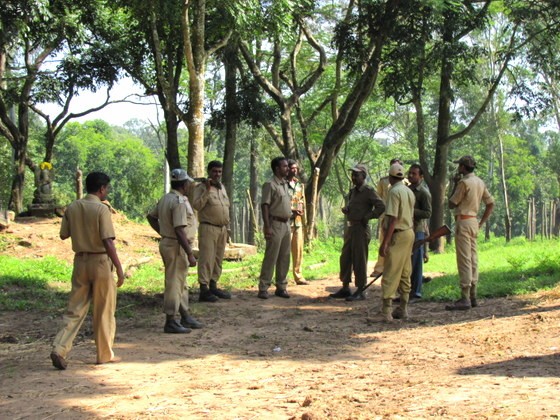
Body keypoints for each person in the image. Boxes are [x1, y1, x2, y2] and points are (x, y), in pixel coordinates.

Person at [50, 172, 125, 370]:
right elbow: (107, 240)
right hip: (100, 261)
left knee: (75, 309)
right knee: (104, 310)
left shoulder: (72, 207)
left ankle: (59, 348)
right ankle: (104, 354)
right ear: (101, 189)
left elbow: (64, 235)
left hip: (80, 262)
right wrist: (118, 266)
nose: (106, 191)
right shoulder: (102, 210)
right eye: (106, 188)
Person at [147, 168, 203, 333]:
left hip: (171, 242)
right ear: (185, 184)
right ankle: (170, 319)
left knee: (181, 282)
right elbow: (179, 229)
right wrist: (190, 253)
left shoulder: (166, 198)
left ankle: (184, 314)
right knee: (174, 282)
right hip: (177, 246)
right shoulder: (178, 202)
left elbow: (151, 216)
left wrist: (163, 232)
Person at [368, 163, 415, 323]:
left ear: (390, 177)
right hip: (409, 232)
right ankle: (403, 308)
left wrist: (385, 242)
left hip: (398, 234)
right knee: (405, 271)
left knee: (390, 272)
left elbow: (393, 218)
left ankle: (386, 311)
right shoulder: (409, 191)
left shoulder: (393, 192)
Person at [330, 164, 385, 301]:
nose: (353, 177)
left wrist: (369, 216)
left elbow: (381, 206)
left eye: (357, 175)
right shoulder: (353, 191)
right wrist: (347, 209)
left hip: (361, 229)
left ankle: (361, 289)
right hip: (350, 228)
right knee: (346, 257)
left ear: (363, 176)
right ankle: (345, 287)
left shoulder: (368, 191)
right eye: (353, 175)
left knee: (360, 259)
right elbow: (353, 205)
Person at [446, 155, 494, 311]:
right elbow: (490, 203)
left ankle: (465, 297)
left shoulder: (463, 183)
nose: (458, 168)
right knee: (473, 258)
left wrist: (454, 184)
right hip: (473, 221)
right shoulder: (480, 182)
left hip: (463, 221)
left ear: (462, 167)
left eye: (460, 165)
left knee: (464, 259)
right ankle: (473, 295)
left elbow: (451, 203)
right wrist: (481, 222)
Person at [192, 160, 232, 302]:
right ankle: (204, 288)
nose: (217, 174)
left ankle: (214, 285)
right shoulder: (201, 188)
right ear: (209, 171)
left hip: (222, 229)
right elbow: (197, 205)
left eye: (219, 172)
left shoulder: (222, 188)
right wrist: (207, 190)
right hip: (208, 227)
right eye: (214, 171)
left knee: (218, 259)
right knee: (206, 258)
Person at [257, 157, 292, 299]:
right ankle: (264, 287)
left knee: (285, 256)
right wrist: (267, 226)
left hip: (286, 224)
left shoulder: (284, 184)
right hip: (275, 224)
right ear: (277, 168)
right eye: (284, 166)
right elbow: (265, 205)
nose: (287, 169)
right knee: (271, 256)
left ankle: (281, 286)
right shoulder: (270, 184)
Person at [370, 158, 402, 278]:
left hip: (399, 217)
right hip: (385, 215)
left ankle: (395, 268)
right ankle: (379, 268)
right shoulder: (383, 182)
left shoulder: (405, 183)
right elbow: (378, 198)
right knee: (383, 241)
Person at [408, 164, 432, 300]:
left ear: (421, 177)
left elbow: (428, 213)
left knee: (416, 263)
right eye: (409, 173)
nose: (411, 175)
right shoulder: (407, 190)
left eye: (414, 174)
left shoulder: (423, 192)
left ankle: (416, 292)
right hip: (407, 229)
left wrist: (412, 212)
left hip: (418, 231)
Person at [286, 159, 308, 285]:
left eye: (296, 168)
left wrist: (301, 209)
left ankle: (298, 276)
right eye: (291, 168)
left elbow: (301, 199)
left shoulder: (299, 185)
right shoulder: (282, 184)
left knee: (298, 250)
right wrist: (291, 211)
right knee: (284, 252)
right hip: (286, 222)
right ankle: (283, 278)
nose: (294, 170)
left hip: (298, 222)